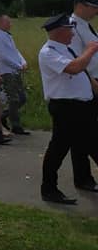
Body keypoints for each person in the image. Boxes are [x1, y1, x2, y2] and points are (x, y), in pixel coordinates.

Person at [37, 14, 98, 204]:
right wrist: (90, 50)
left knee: (88, 143)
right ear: (60, 31)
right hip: (66, 107)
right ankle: (49, 189)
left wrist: (94, 86)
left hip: (82, 105)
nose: (72, 34)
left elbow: (83, 71)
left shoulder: (67, 49)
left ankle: (83, 179)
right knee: (58, 149)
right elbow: (74, 68)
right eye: (70, 30)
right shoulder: (48, 52)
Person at [69, 0, 98, 191]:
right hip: (88, 83)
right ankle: (83, 178)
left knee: (86, 131)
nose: (96, 11)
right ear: (80, 5)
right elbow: (75, 59)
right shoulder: (72, 27)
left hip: (94, 80)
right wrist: (91, 81)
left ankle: (83, 177)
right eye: (93, 7)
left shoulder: (85, 25)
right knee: (84, 132)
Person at [0, 15, 29, 135]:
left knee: (22, 98)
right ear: (0, 23)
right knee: (14, 98)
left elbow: (15, 51)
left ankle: (3, 115)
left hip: (15, 71)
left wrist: (23, 62)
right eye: (7, 22)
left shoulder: (8, 36)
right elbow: (3, 56)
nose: (10, 24)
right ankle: (16, 125)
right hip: (7, 71)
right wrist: (18, 65)